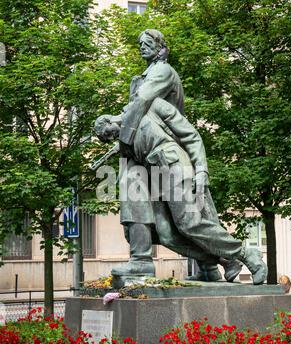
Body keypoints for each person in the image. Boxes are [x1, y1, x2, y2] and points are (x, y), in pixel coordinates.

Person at [94, 29, 268, 285]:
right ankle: (211, 262)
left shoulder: (154, 101)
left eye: (109, 131)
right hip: (152, 169)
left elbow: (191, 135)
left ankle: (244, 254)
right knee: (166, 233)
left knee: (190, 223)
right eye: (107, 137)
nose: (112, 136)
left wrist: (201, 170)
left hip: (172, 164)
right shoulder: (133, 132)